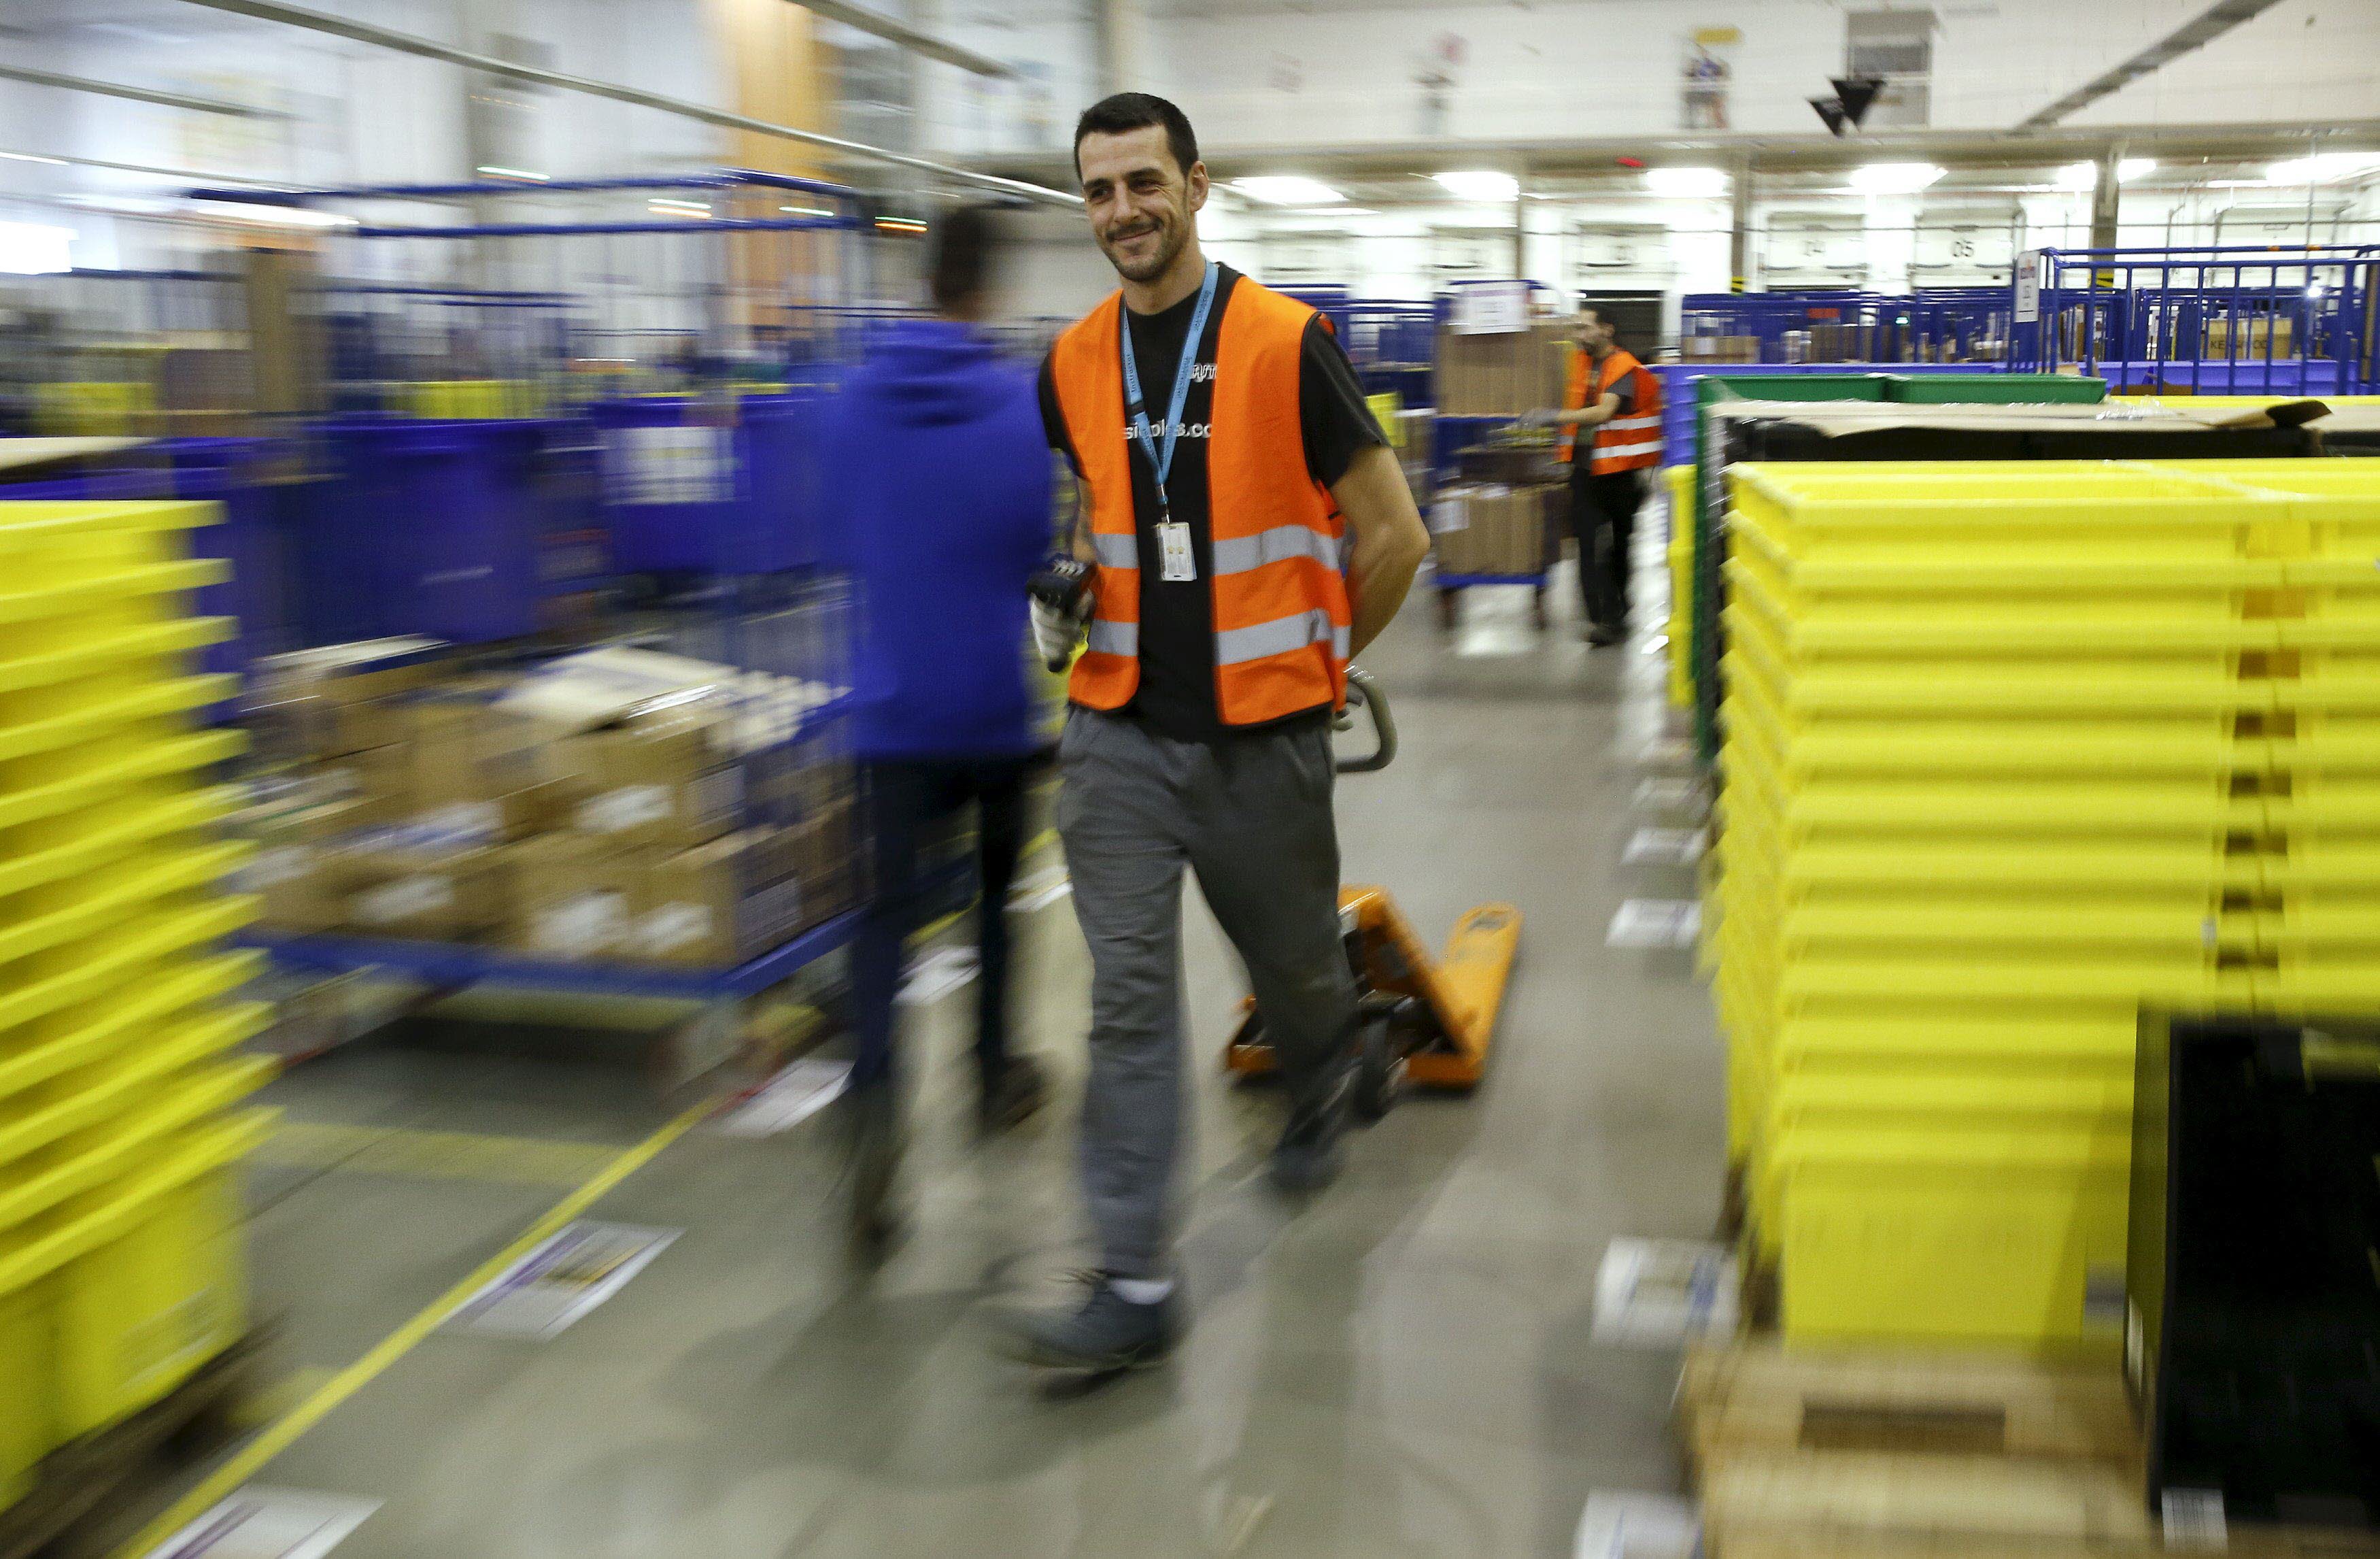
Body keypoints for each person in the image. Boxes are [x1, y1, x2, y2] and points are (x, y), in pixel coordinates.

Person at [1008, 92, 1433, 1373]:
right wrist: (1074, 579)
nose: (1124, 210)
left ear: (1198, 186)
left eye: (1145, 182)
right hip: (1119, 738)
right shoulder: (1069, 363)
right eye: (1100, 191)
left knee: (1298, 970)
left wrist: (1320, 664)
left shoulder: (1283, 344)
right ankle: (1134, 1279)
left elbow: (1397, 536)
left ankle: (1330, 1067)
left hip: (1263, 743)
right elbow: (1100, 512)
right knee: (1129, 1006)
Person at [823, 205, 1055, 1260]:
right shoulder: (1014, 406)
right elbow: (1032, 547)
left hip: (890, 713)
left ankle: (874, 1101)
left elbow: (834, 530)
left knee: (883, 922)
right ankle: (993, 1073)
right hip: (990, 714)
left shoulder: (856, 402)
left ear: (922, 276)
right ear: (990, 288)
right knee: (995, 910)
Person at [1540, 308, 1663, 646]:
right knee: (1589, 547)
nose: (1579, 334)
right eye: (1576, 328)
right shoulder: (1578, 364)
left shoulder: (1624, 366)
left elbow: (1604, 411)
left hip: (1622, 475)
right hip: (1586, 471)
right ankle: (1601, 619)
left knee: (1618, 547)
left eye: (1585, 327)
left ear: (1607, 330)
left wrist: (1553, 417)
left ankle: (1617, 614)